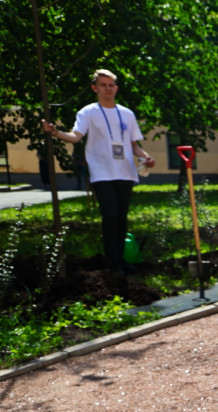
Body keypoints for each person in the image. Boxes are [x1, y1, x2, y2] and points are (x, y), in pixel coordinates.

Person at [41, 69, 155, 275]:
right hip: (102, 172)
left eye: (111, 85)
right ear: (95, 88)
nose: (108, 88)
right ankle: (112, 263)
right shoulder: (88, 112)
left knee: (121, 218)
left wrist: (145, 157)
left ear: (116, 88)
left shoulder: (127, 113)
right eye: (103, 85)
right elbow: (76, 137)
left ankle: (120, 260)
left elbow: (134, 145)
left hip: (125, 172)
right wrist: (55, 132)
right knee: (110, 216)